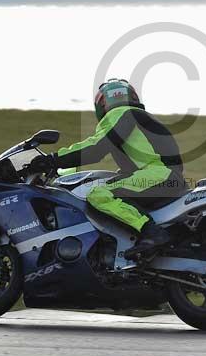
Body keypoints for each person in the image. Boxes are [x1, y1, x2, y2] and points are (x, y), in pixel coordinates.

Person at [31, 79, 186, 258]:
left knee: (100, 195)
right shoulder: (137, 117)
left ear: (102, 104)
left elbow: (96, 148)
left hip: (158, 175)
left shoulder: (121, 114)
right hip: (164, 176)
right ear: (133, 96)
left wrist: (52, 159)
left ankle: (152, 233)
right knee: (109, 183)